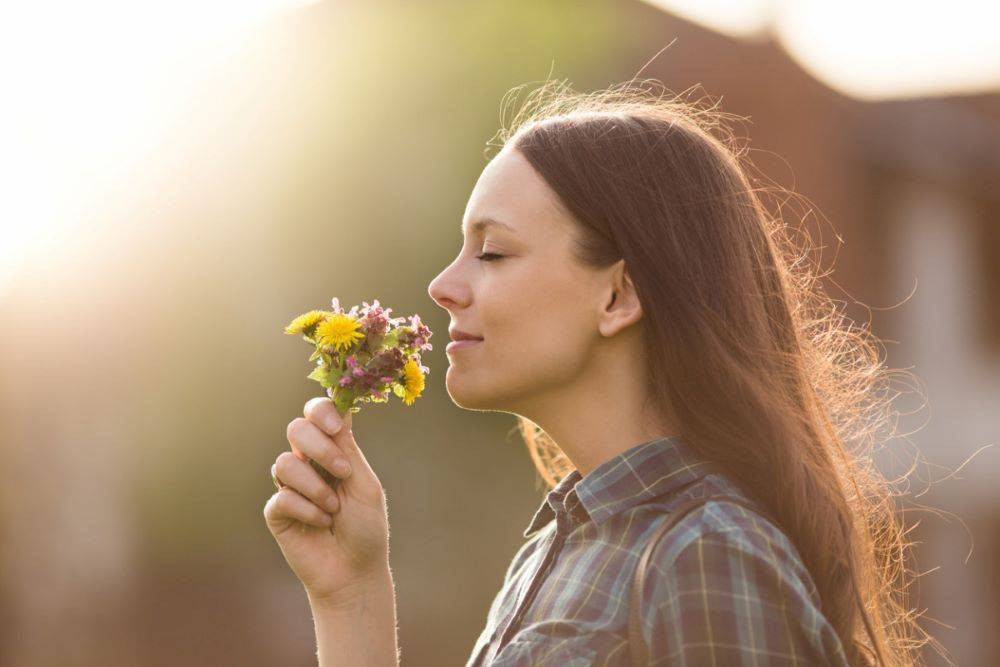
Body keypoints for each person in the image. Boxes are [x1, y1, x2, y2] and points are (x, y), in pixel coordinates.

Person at [264, 79, 938, 666]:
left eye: (492, 252)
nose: (443, 285)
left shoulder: (705, 553)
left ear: (618, 296)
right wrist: (350, 590)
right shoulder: (558, 550)